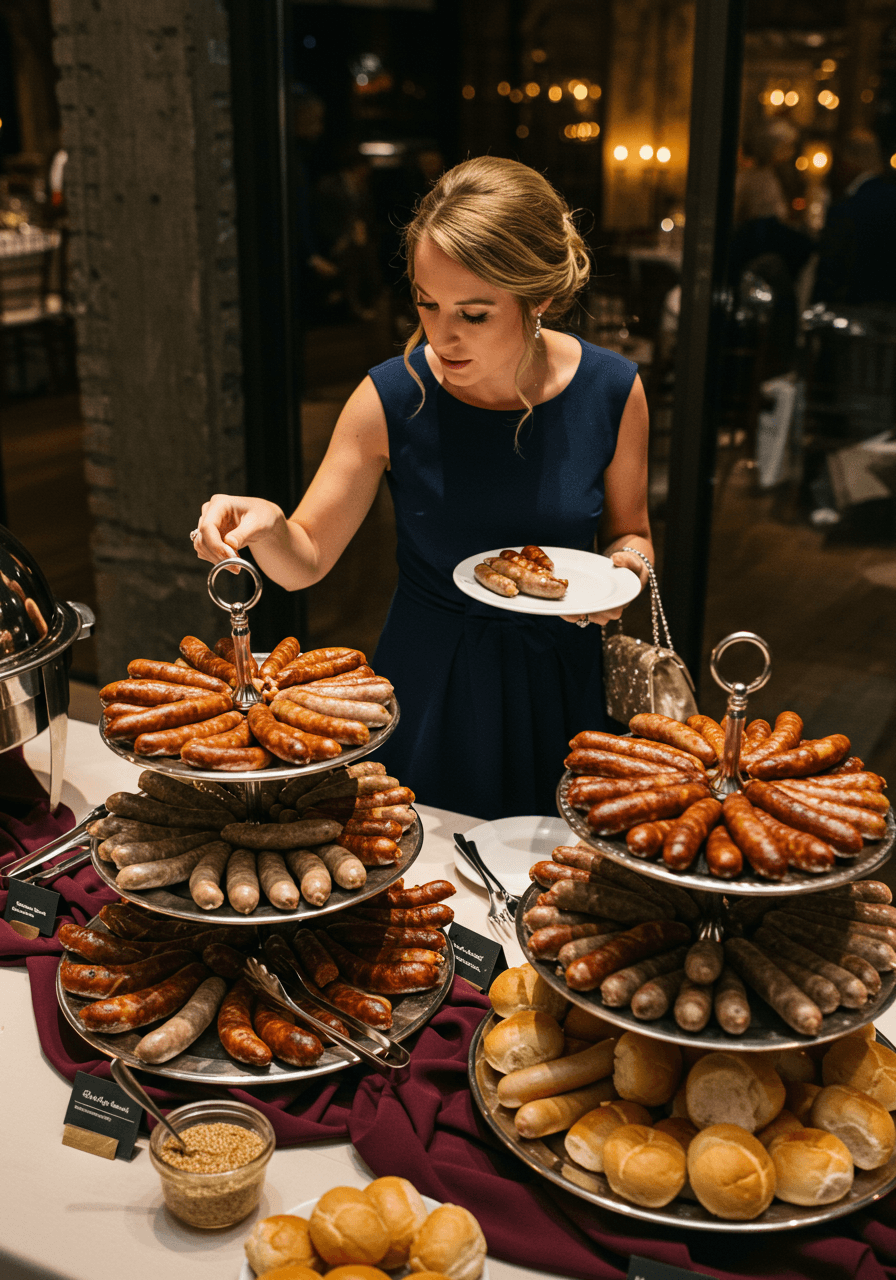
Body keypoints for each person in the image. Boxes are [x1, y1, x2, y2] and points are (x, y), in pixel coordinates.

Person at [193, 156, 652, 820]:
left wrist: (625, 576)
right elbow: (305, 562)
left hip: (561, 680)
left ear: (541, 298)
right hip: (434, 680)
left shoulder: (612, 391)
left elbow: (630, 531)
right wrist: (268, 526)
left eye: (474, 313)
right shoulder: (390, 395)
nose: (441, 335)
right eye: (426, 302)